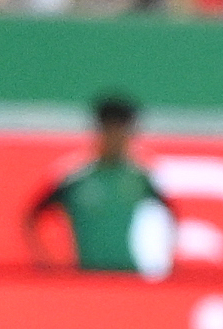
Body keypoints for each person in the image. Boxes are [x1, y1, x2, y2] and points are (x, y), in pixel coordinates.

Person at [29, 93, 173, 275]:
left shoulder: (142, 177)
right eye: (110, 130)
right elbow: (33, 216)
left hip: (131, 275)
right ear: (100, 130)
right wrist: (46, 262)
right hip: (88, 276)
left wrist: (164, 261)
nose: (116, 138)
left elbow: (170, 215)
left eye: (122, 131)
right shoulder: (75, 177)